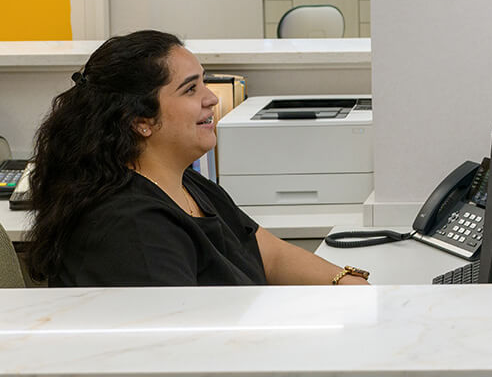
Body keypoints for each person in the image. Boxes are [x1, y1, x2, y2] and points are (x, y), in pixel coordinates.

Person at [26, 30, 370, 289]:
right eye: (191, 89)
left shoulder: (184, 183)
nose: (211, 99)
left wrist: (347, 282)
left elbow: (271, 254)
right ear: (140, 121)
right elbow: (183, 351)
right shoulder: (132, 226)